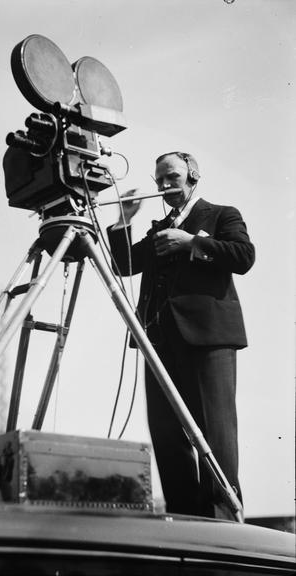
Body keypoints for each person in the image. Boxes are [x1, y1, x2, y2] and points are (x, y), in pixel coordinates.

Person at [107, 151, 255, 519]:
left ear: (193, 176)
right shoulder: (159, 228)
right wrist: (123, 222)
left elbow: (244, 255)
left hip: (208, 340)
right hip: (158, 343)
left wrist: (190, 243)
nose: (164, 185)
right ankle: (187, 521)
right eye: (159, 180)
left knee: (214, 431)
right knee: (166, 432)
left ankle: (223, 520)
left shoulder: (221, 214)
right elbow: (125, 265)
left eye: (171, 176)